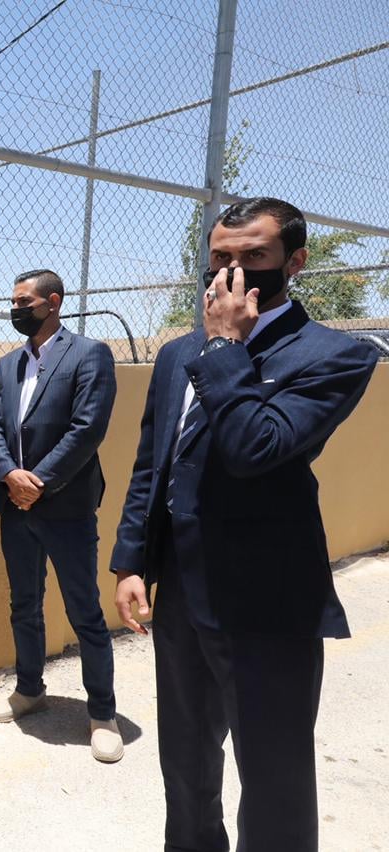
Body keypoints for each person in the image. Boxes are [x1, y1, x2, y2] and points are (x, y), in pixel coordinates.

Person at [111, 197, 378, 851]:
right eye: (220, 258)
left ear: (295, 262)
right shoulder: (177, 355)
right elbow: (153, 464)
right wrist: (131, 560)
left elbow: (255, 447)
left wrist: (228, 345)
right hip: (182, 597)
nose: (232, 271)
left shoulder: (334, 356)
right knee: (186, 768)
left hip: (269, 606)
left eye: (254, 255)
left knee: (275, 781)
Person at [0, 269, 123, 762]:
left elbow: (87, 428)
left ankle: (102, 713)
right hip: (15, 507)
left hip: (66, 507)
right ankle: (29, 689)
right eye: (14, 301)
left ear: (53, 302)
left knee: (85, 611)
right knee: (24, 604)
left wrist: (36, 482)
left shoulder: (89, 354)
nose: (16, 309)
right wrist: (8, 475)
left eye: (24, 301)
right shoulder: (8, 365)